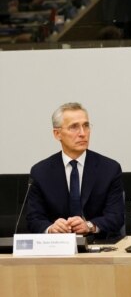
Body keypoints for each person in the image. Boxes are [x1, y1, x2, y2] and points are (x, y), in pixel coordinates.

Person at [26, 102, 125, 238]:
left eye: (86, 126)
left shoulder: (109, 169)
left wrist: (89, 225)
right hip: (56, 249)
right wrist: (51, 228)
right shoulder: (40, 172)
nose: (83, 133)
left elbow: (116, 217)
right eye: (74, 127)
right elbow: (33, 218)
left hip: (99, 247)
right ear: (57, 134)